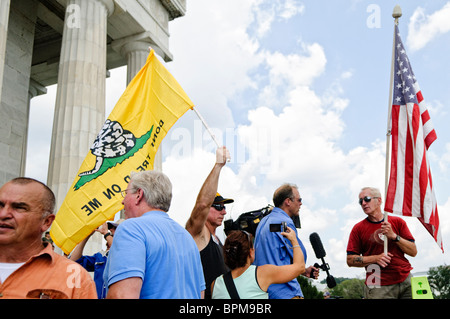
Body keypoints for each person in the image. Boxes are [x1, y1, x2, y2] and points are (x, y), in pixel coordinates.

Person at [105, 170, 205, 299]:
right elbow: (200, 295)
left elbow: (122, 295)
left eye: (125, 193)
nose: (122, 201)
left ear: (139, 194)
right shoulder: (187, 238)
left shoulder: (131, 229)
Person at [0, 177, 97, 299]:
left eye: (19, 207)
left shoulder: (74, 277)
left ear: (46, 222)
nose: (3, 214)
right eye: (0, 205)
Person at [346, 187, 417, 299]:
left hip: (405, 277)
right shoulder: (358, 228)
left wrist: (394, 236)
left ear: (379, 200)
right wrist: (375, 258)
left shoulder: (398, 222)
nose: (363, 203)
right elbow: (350, 260)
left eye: (367, 199)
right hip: (375, 279)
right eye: (361, 201)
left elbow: (413, 251)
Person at [254, 183, 319, 299]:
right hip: (285, 292)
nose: (301, 203)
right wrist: (301, 267)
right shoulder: (285, 223)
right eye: (299, 200)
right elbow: (300, 258)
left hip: (264, 292)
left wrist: (304, 271)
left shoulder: (263, 223)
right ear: (288, 201)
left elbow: (274, 255)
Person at [185, 146, 233, 299]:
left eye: (224, 207)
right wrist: (218, 165)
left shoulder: (218, 240)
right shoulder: (199, 234)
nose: (224, 212)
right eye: (219, 207)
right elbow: (202, 204)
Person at [211, 227, 305, 299]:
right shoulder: (262, 273)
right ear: (250, 253)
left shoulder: (215, 284)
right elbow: (300, 267)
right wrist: (294, 240)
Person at [69, 220, 122, 298]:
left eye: (116, 228)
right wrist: (86, 236)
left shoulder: (127, 253)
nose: (110, 230)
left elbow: (118, 250)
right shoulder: (100, 256)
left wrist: (106, 234)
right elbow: (74, 262)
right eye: (111, 228)